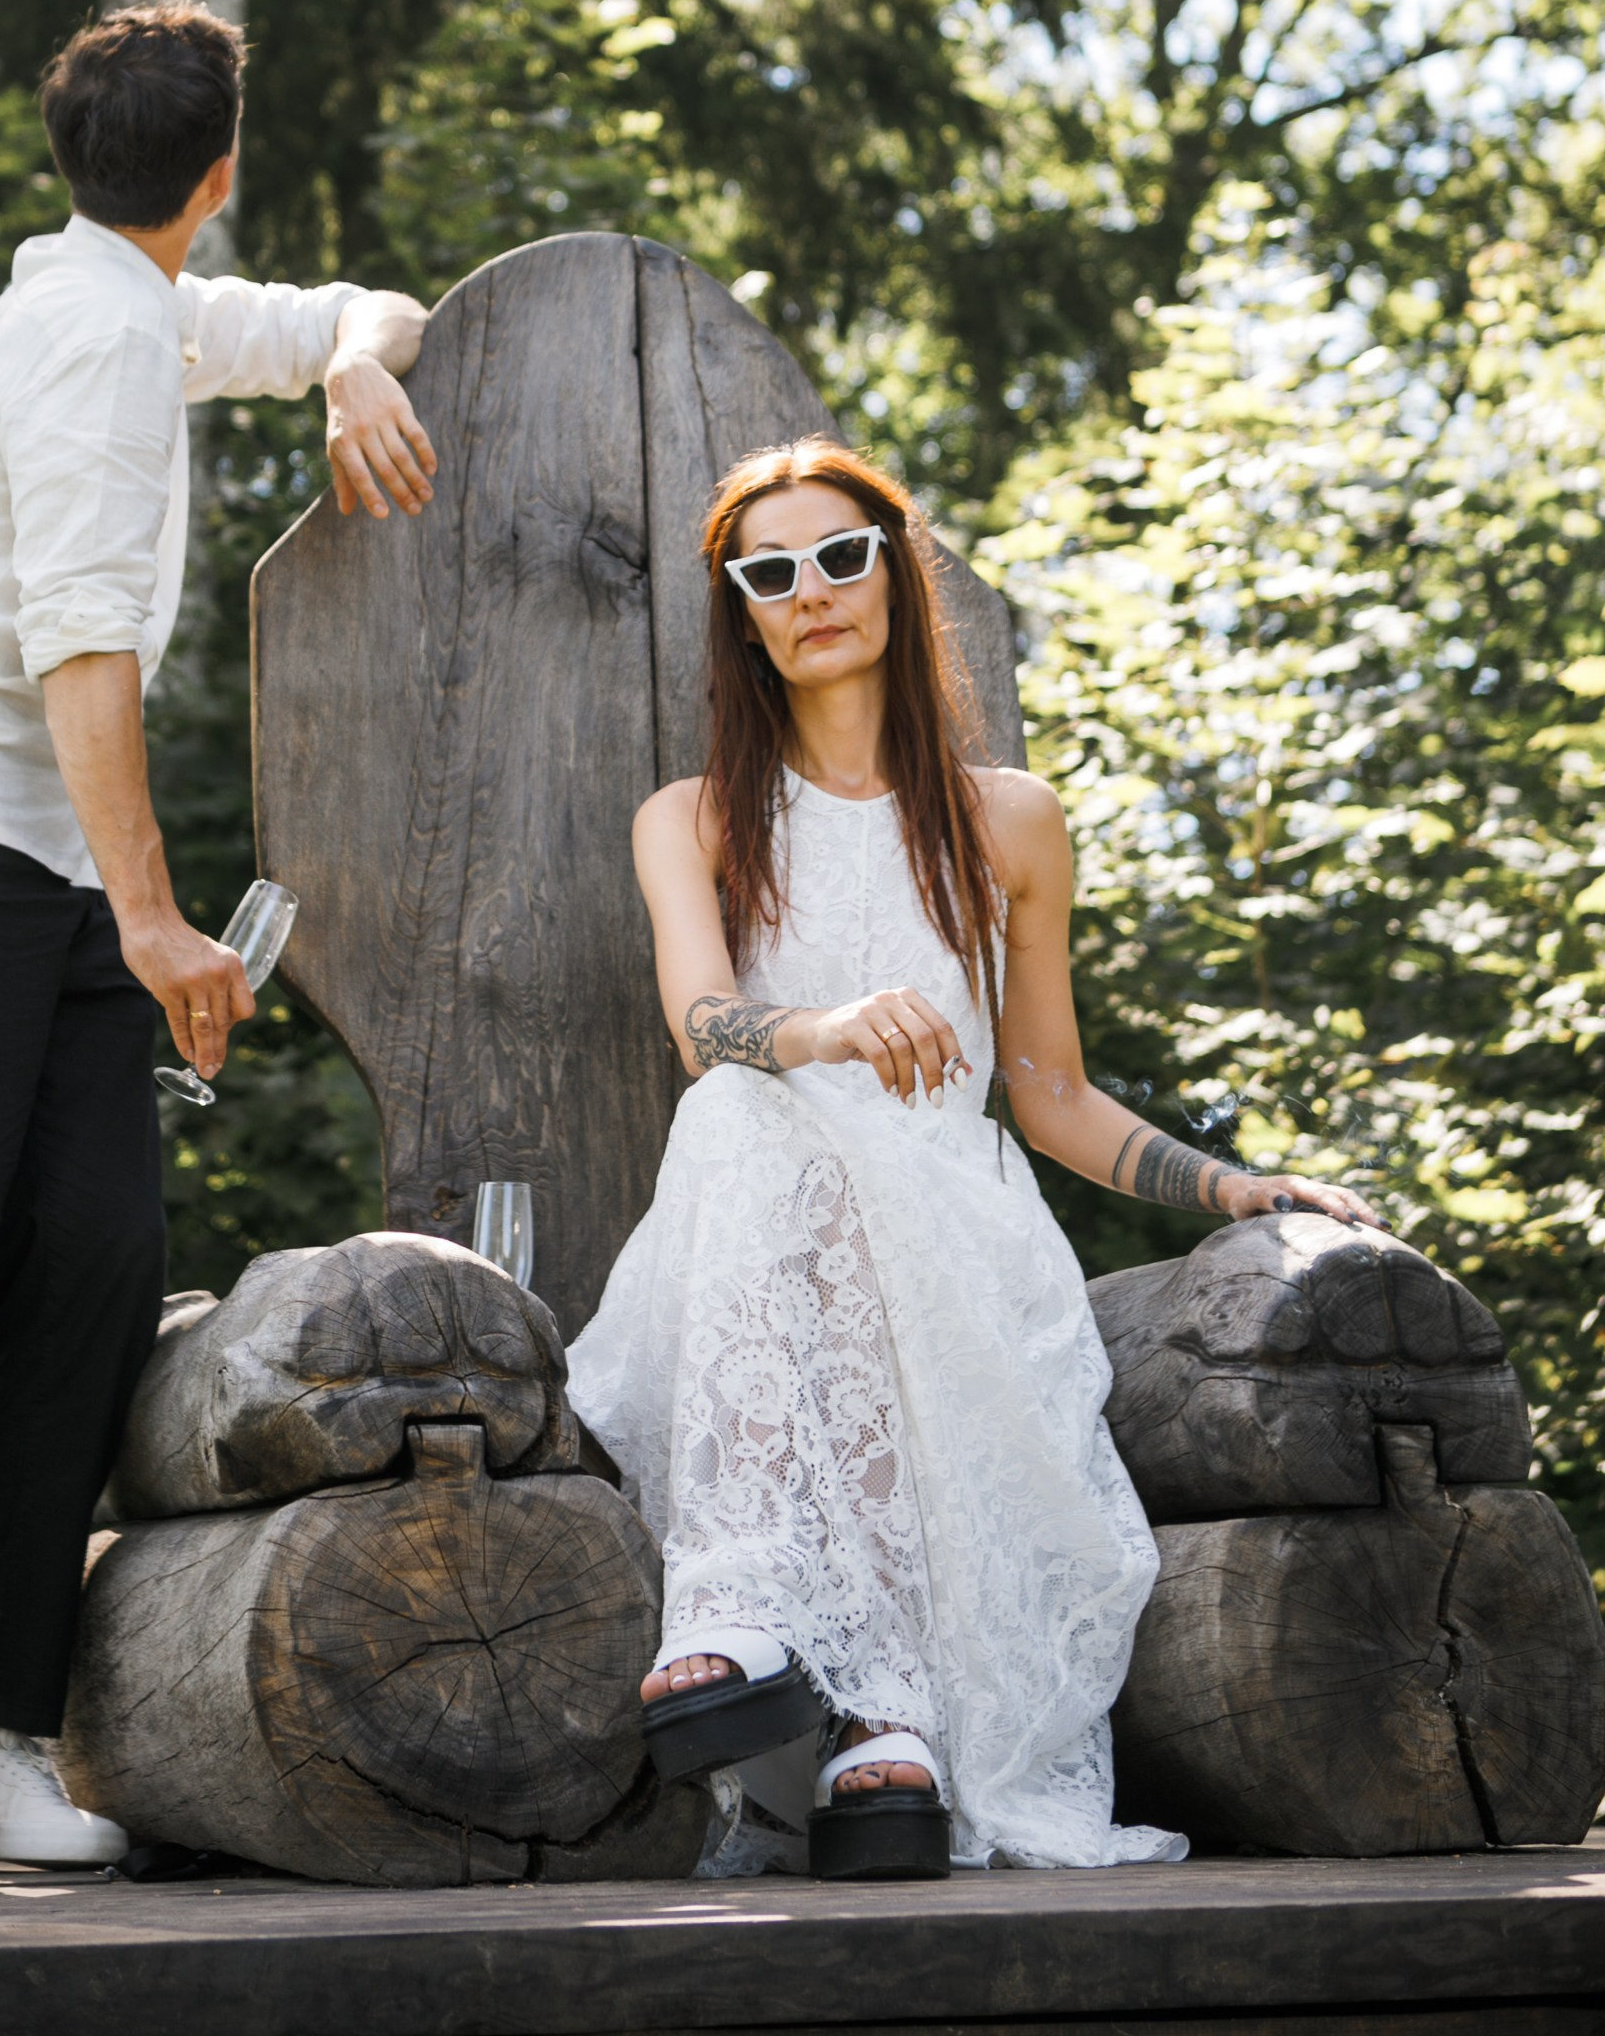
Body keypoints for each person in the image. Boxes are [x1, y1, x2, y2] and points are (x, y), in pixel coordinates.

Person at [0, 3, 437, 1881]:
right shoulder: (81, 335)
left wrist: (347, 371)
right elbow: (77, 651)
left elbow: (364, 308)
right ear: (216, 170)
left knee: (91, 1264)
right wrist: (156, 920)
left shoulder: (154, 303)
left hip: (54, 868)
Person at [565, 436, 1379, 1881]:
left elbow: (1050, 1094)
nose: (809, 590)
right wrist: (821, 1028)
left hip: (958, 1237)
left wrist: (1232, 1188)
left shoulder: (1009, 820)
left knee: (832, 1167)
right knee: (750, 1109)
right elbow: (704, 1027)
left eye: (840, 556)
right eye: (770, 572)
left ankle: (890, 1699)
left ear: (893, 575)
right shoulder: (687, 821)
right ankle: (797, 1645)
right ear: (740, 612)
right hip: (760, 1228)